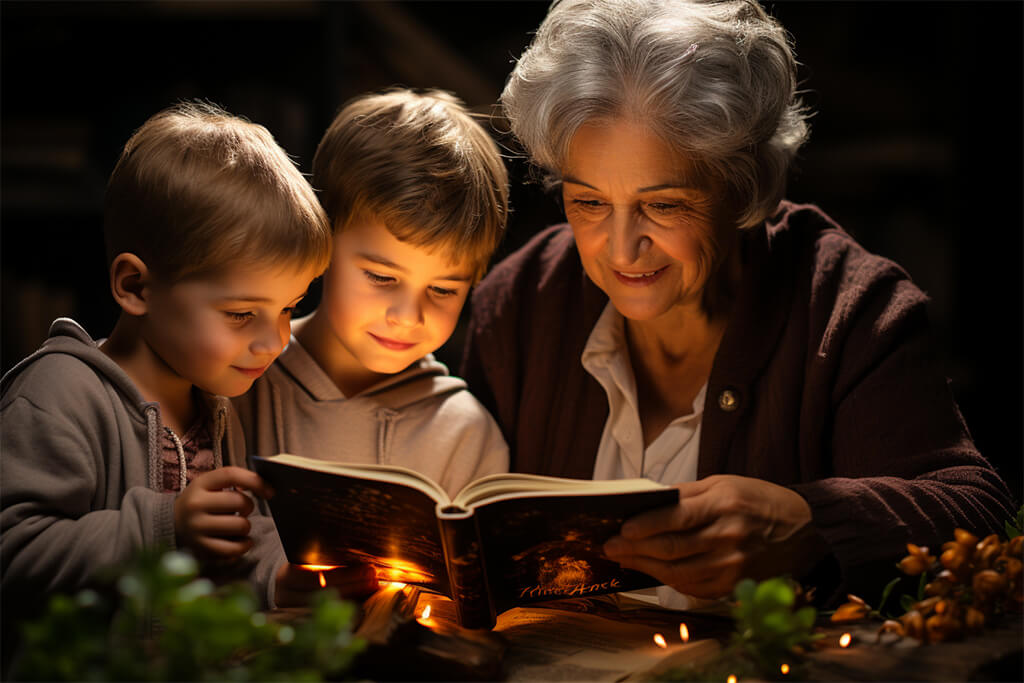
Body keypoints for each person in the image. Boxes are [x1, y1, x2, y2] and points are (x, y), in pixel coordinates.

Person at [461, 0, 1016, 608]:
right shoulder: (520, 303)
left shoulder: (848, 310)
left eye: (664, 204)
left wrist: (811, 525)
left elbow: (983, 510)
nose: (621, 248)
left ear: (743, 184)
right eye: (589, 203)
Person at [0, 102, 377, 652]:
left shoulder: (216, 403)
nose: (274, 341)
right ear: (135, 287)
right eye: (241, 314)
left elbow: (229, 551)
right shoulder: (58, 396)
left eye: (289, 309)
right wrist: (163, 527)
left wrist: (278, 576)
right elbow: (14, 554)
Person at [233, 89, 509, 499]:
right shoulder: (239, 380)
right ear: (320, 242)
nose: (408, 315)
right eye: (382, 277)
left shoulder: (466, 433)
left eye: (442, 289)